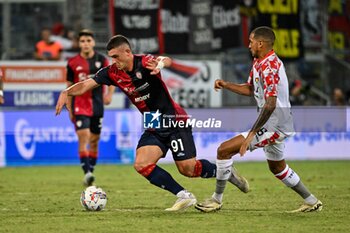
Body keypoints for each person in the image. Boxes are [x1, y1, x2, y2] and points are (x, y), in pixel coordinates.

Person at [56, 35, 248, 211]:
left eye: (116, 56)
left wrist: (161, 66)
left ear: (127, 52)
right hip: (153, 122)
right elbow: (86, 84)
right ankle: (184, 195)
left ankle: (225, 171)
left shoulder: (144, 62)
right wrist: (66, 92)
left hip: (174, 119)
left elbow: (165, 59)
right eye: (111, 57)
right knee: (141, 164)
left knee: (188, 169)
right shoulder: (112, 72)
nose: (114, 61)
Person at [195, 26, 323, 213]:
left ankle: (216, 200)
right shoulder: (258, 63)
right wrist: (226, 84)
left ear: (260, 43)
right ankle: (312, 201)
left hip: (275, 123)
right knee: (278, 168)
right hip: (274, 121)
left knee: (223, 150)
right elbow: (250, 89)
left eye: (251, 41)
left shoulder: (270, 66)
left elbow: (270, 103)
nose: (248, 45)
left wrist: (251, 134)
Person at [66, 29, 115, 186]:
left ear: (93, 43)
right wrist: (69, 107)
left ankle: (90, 172)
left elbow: (113, 77)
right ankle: (87, 173)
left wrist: (109, 95)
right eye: (82, 41)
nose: (85, 44)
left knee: (94, 141)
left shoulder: (102, 60)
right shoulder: (72, 62)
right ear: (79, 44)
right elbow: (68, 87)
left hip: (97, 105)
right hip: (80, 105)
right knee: (84, 136)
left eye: (88, 41)